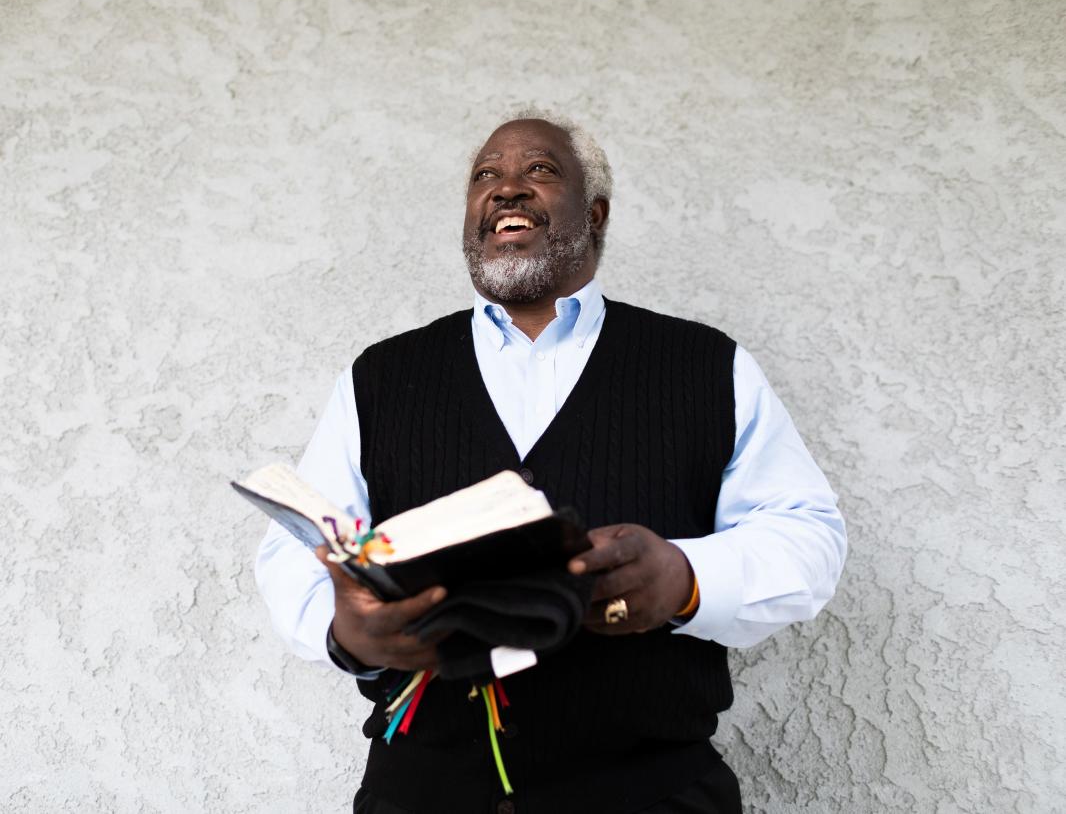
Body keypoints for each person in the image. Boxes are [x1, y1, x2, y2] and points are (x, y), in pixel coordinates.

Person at [255, 110, 847, 814]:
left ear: (594, 214)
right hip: (424, 795)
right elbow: (299, 548)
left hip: (652, 796)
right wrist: (344, 630)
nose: (505, 188)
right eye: (485, 176)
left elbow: (809, 535)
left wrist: (686, 581)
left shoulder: (705, 365)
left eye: (538, 169)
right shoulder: (380, 375)